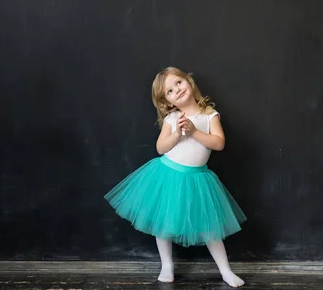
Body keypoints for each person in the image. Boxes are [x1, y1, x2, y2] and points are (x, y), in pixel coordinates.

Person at [104, 66, 247, 287]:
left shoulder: (209, 114)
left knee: (210, 229)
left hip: (198, 180)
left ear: (188, 81)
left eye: (178, 83)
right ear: (168, 102)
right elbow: (161, 147)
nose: (176, 90)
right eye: (169, 91)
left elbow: (219, 143)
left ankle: (226, 271)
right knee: (164, 223)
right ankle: (167, 265)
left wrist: (193, 132)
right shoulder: (172, 118)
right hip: (168, 175)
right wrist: (178, 135)